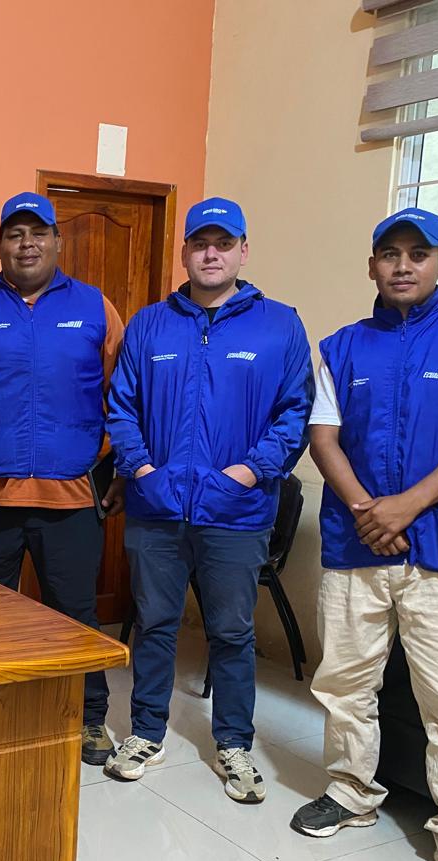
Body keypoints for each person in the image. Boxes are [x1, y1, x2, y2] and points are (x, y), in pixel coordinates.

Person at [291, 208, 438, 861]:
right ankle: (350, 791)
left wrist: (406, 507)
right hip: (357, 545)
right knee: (345, 685)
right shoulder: (341, 347)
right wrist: (371, 511)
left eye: (420, 253)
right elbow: (324, 439)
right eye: (390, 253)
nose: (403, 265)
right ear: (372, 266)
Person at [104, 197, 312, 802]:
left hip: (235, 512)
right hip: (157, 507)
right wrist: (143, 469)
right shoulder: (150, 325)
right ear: (186, 252)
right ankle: (145, 732)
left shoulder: (279, 326)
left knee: (231, 632)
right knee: (155, 624)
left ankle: (234, 744)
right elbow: (122, 406)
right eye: (200, 243)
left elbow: (294, 413)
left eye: (224, 243)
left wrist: (247, 474)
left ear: (243, 251)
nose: (211, 254)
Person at [0, 191, 126, 766]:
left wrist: (120, 469)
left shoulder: (95, 308)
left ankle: (89, 718)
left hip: (70, 498)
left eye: (38, 233)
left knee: (75, 615)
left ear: (57, 242)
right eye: (15, 234)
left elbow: (127, 396)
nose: (27, 244)